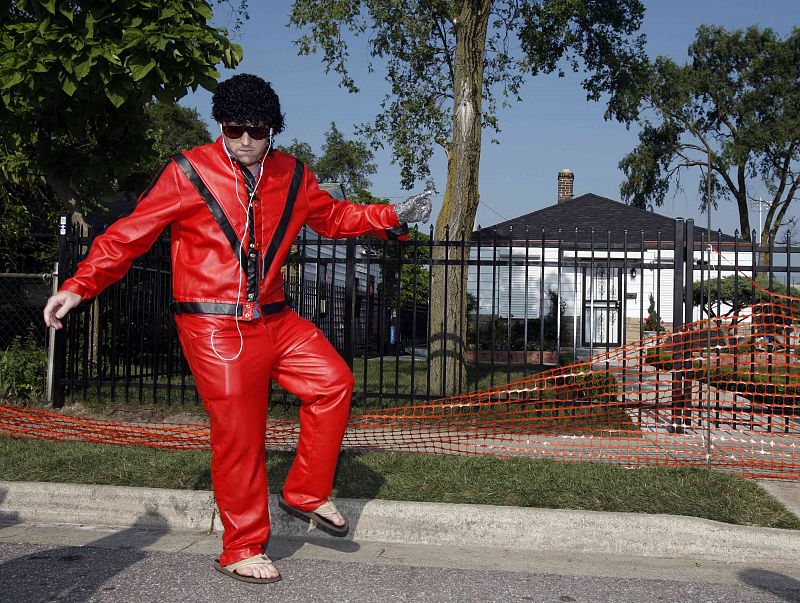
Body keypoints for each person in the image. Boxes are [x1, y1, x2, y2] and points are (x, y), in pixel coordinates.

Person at [43, 74, 432, 584]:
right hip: (212, 325)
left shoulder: (292, 174)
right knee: (239, 433)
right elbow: (129, 234)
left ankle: (306, 492)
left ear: (274, 129)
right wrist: (79, 285)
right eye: (234, 129)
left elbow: (333, 217)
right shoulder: (187, 170)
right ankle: (241, 546)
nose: (246, 140)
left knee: (333, 382)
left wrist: (391, 215)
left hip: (276, 316)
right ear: (220, 126)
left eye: (257, 130)